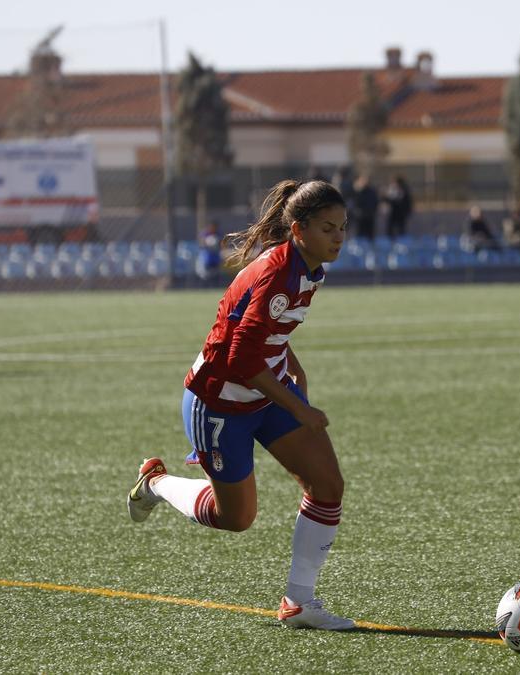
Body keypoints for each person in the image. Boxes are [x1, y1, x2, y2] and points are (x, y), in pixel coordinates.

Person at [126, 179, 354, 630]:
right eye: (329, 228)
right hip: (218, 401)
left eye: (343, 227)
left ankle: (298, 603)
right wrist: (299, 406)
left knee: (327, 485)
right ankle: (155, 483)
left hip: (261, 391)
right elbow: (239, 358)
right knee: (237, 518)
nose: (339, 237)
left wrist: (293, 365)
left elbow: (264, 333)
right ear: (298, 229)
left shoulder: (308, 266)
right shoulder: (278, 274)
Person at [383, 175, 414, 239]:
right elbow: (387, 200)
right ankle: (391, 241)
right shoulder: (392, 190)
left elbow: (406, 202)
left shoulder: (404, 190)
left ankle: (400, 241)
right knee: (390, 229)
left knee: (400, 229)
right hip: (393, 213)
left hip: (401, 213)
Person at [349, 174, 378, 242]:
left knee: (368, 236)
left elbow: (375, 203)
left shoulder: (371, 192)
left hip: (368, 216)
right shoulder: (358, 191)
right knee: (360, 235)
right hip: (361, 217)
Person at [196, 220, 223, 286]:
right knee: (206, 272)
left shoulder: (218, 234)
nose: (213, 228)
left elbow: (222, 243)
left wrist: (217, 243)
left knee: (215, 271)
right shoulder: (205, 233)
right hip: (207, 256)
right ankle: (204, 285)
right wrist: (207, 242)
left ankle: (216, 285)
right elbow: (201, 242)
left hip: (215, 256)